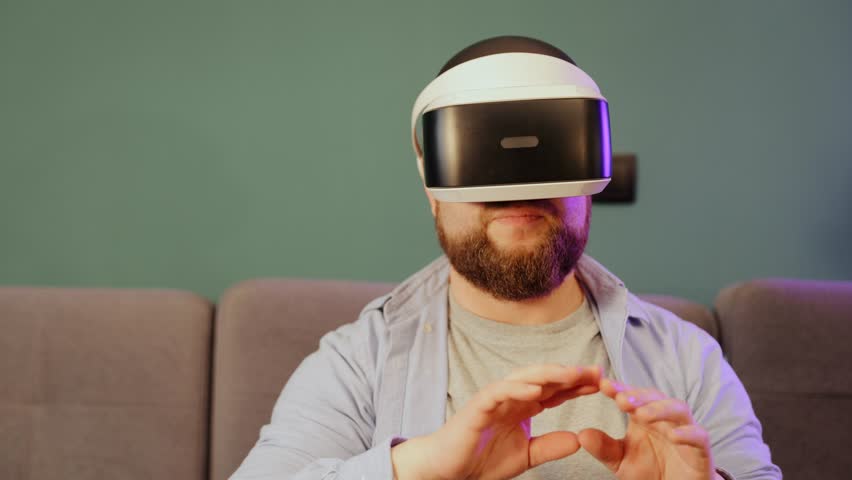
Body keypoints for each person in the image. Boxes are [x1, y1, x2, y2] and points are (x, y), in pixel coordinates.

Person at [231, 36, 781, 480]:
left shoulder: (685, 358)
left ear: (589, 176)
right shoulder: (358, 362)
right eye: (482, 151)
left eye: (547, 150)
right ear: (432, 185)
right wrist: (416, 469)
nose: (517, 188)